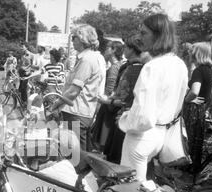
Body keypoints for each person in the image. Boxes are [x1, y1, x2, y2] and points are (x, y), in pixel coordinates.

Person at [118, 14, 188, 182]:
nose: (138, 38)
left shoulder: (152, 67)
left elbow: (143, 117)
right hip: (161, 134)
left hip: (141, 136)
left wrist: (125, 120)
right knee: (140, 187)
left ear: (158, 35)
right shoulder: (179, 64)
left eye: (143, 33)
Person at [51, 24, 103, 154]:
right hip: (79, 112)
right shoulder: (89, 58)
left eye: (74, 37)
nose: (72, 40)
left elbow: (74, 91)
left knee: (75, 154)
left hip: (76, 113)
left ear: (82, 39)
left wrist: (56, 105)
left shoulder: (86, 60)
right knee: (75, 152)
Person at [100, 35, 145, 164]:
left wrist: (108, 101)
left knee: (117, 159)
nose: (124, 49)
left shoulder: (135, 69)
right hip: (123, 116)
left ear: (133, 49)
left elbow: (127, 99)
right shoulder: (131, 67)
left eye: (127, 47)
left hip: (125, 117)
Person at [182, 42, 212, 175]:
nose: (189, 53)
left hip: (192, 109)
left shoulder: (198, 70)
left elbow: (195, 91)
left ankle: (183, 167)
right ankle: (192, 169)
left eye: (192, 51)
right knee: (197, 140)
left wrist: (186, 100)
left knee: (187, 138)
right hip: (201, 110)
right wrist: (204, 107)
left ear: (197, 54)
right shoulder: (210, 71)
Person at [91, 41, 125, 152]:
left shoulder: (114, 67)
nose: (105, 51)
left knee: (103, 140)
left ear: (113, 50)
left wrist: (105, 100)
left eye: (107, 48)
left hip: (109, 105)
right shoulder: (119, 65)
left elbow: (110, 89)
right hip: (114, 105)